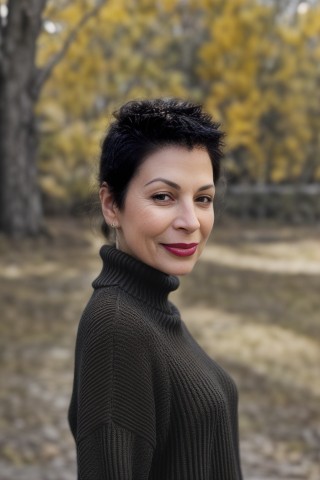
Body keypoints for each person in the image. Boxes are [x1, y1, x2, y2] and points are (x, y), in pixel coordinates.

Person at [68, 98, 243, 479]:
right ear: (112, 205)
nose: (190, 221)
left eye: (203, 199)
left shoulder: (150, 309)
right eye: (163, 196)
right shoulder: (117, 326)